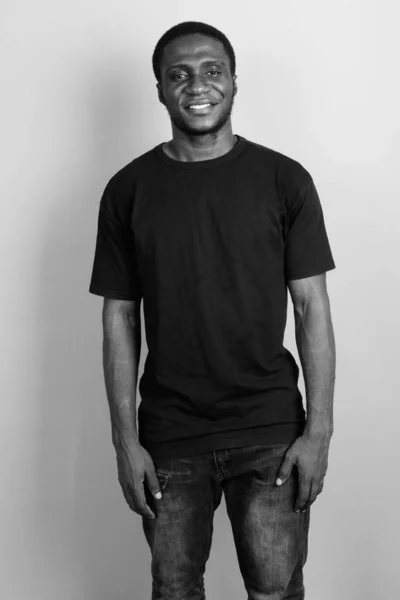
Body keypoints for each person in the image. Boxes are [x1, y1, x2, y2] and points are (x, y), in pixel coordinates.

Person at [89, 20, 336, 600]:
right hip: (170, 433)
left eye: (211, 70)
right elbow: (119, 320)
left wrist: (319, 431)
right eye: (178, 74)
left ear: (232, 81)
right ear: (159, 89)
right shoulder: (128, 190)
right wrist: (126, 444)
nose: (196, 85)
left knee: (275, 591)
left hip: (270, 426)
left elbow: (311, 308)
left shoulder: (284, 180)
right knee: (175, 591)